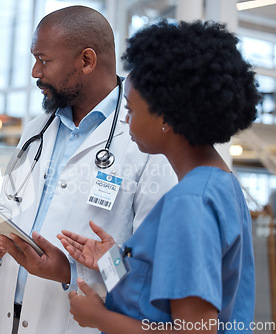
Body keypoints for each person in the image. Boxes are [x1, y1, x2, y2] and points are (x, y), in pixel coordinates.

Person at [0, 6, 177, 334]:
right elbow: (12, 208)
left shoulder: (147, 141)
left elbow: (149, 269)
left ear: (87, 61)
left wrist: (71, 272)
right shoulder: (37, 129)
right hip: (8, 318)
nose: (35, 72)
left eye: (44, 60)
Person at [59, 20, 260, 334]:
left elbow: (195, 330)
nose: (126, 121)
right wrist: (113, 261)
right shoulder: (222, 184)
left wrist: (99, 318)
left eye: (131, 110)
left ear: (165, 115)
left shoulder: (190, 202)